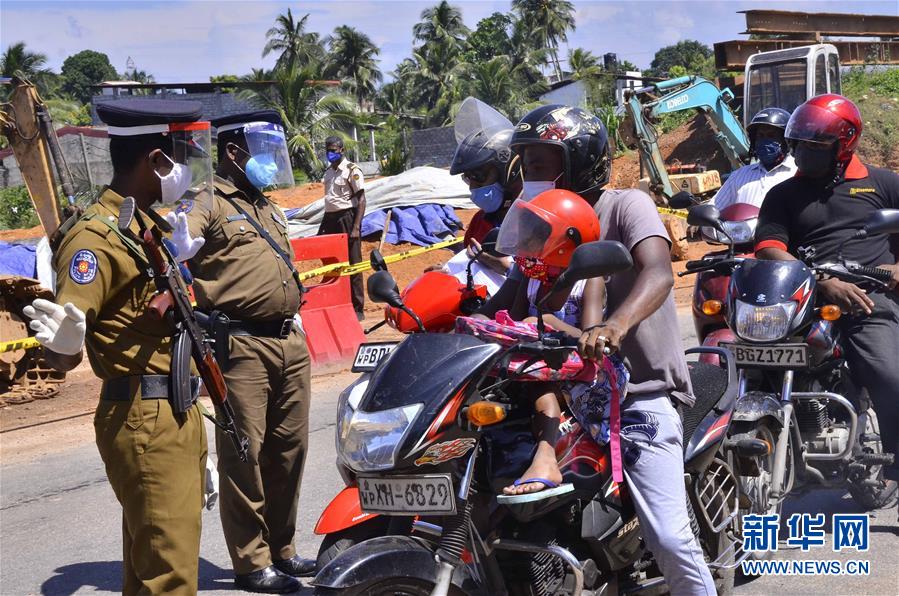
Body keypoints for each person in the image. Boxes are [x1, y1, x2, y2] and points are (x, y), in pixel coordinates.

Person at [481, 104, 716, 594]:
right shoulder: (538, 219)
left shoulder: (627, 205)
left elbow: (657, 272)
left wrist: (616, 324)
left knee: (670, 538)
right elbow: (508, 300)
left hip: (638, 396)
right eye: (525, 164)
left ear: (580, 161)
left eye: (540, 163)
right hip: (559, 392)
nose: (530, 175)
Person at [23, 99, 212, 594]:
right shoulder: (96, 240)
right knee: (169, 579)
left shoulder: (142, 227)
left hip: (171, 408)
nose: (186, 170)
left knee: (156, 569)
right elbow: (62, 351)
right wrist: (64, 344)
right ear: (155, 160)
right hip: (144, 414)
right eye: (180, 156)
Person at [170, 110, 313, 593]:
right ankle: (252, 562)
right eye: (263, 152)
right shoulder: (207, 201)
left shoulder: (267, 206)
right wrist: (178, 241)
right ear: (233, 153)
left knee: (289, 451)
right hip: (241, 345)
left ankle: (283, 550)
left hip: (289, 340)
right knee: (244, 454)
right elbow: (178, 242)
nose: (271, 161)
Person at [754, 94, 899, 497]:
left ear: (843, 145)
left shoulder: (883, 184)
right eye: (798, 144)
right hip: (803, 296)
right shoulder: (783, 194)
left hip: (867, 297)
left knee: (889, 375)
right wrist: (820, 280)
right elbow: (768, 247)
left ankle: (896, 463)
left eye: (814, 145)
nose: (802, 153)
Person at [488, 189, 603, 496]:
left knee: (542, 387)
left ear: (567, 242)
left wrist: (549, 322)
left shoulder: (588, 281)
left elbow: (590, 337)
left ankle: (546, 455)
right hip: (530, 366)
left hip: (574, 372)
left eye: (538, 235)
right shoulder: (532, 279)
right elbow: (512, 321)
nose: (529, 242)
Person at [450, 97, 522, 276]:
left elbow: (548, 280)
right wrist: (449, 270)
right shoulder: (480, 221)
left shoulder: (535, 220)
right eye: (468, 178)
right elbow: (468, 262)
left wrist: (506, 268)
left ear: (507, 171)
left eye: (479, 176)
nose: (473, 187)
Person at [714, 107, 797, 211]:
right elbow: (714, 207)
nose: (765, 141)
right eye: (760, 136)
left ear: (785, 140)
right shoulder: (739, 176)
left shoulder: (797, 173)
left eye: (771, 136)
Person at [319, 136, 366, 320]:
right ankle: (338, 302)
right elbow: (330, 202)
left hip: (347, 219)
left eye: (333, 150)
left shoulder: (352, 170)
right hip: (330, 219)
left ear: (342, 150)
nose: (330, 153)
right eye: (327, 150)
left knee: (354, 263)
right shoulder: (328, 172)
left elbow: (361, 200)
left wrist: (356, 227)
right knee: (333, 263)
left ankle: (358, 308)